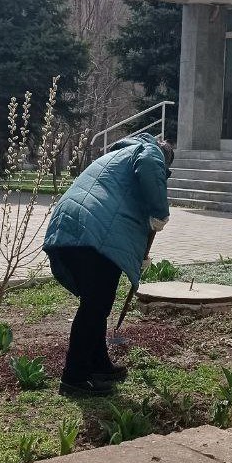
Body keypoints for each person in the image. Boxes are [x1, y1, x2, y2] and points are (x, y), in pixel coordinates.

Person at [43, 133, 173, 397]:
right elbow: (149, 166)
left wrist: (138, 255)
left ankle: (99, 364)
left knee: (96, 302)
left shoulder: (117, 154)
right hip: (95, 229)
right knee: (95, 306)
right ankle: (74, 377)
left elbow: (121, 200)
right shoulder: (150, 151)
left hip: (71, 222)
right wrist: (160, 211)